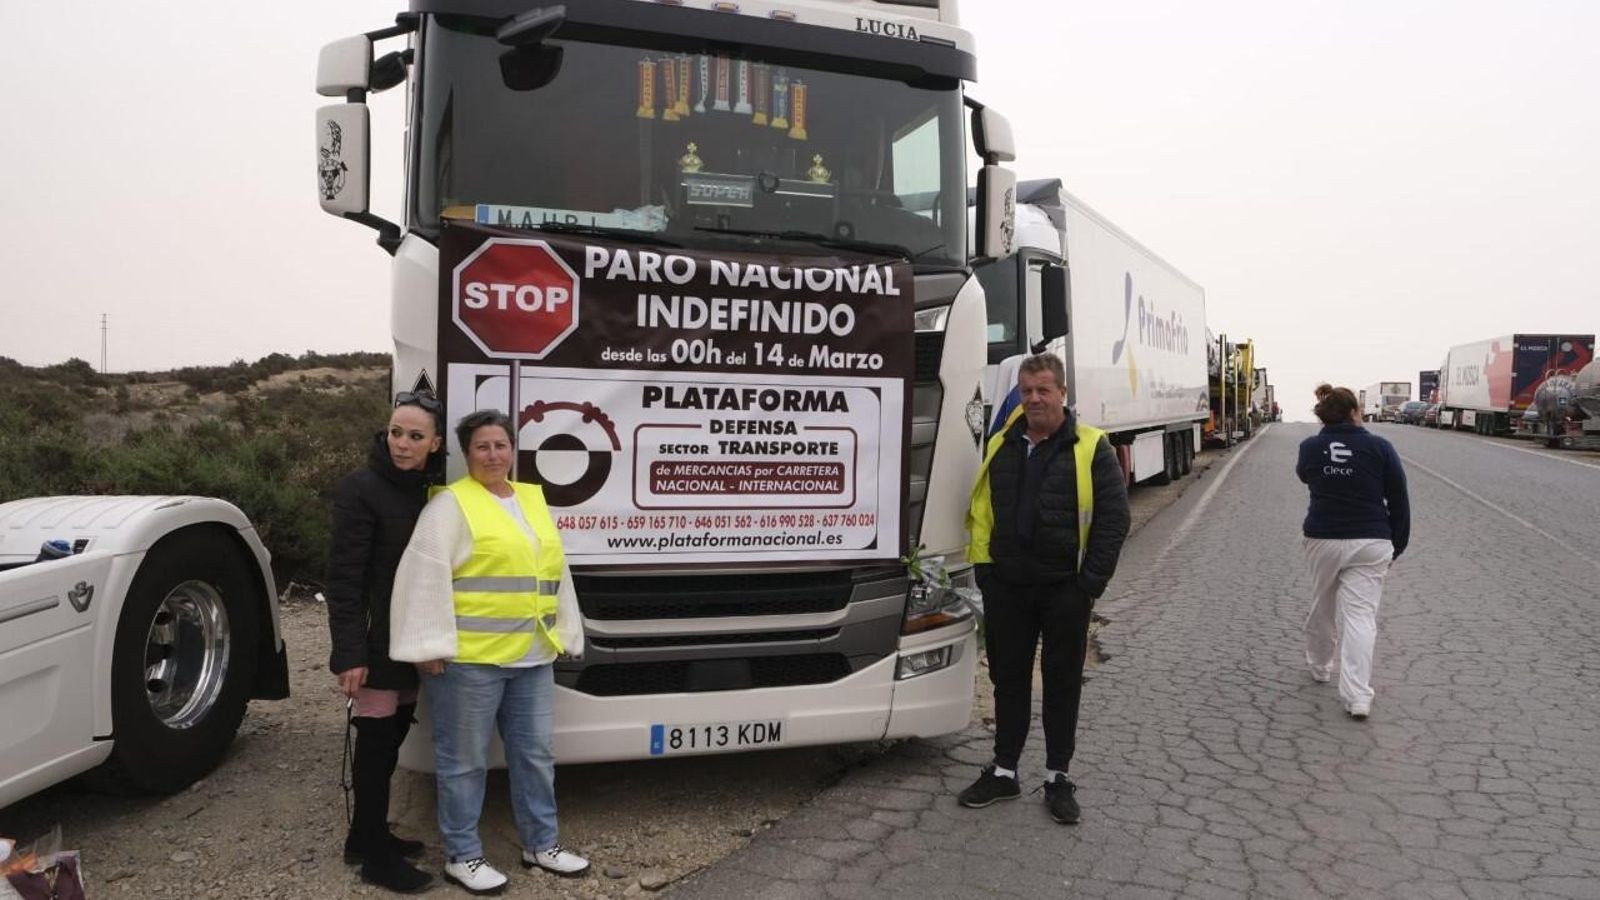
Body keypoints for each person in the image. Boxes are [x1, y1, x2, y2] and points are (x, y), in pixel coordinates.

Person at [390, 409, 588, 895]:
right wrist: (427, 646)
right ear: (467, 453)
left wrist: (567, 632)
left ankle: (541, 844)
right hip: (470, 663)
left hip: (532, 659)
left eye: (501, 445)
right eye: (482, 446)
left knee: (535, 756)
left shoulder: (532, 501)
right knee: (463, 762)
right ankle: (463, 856)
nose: (493, 455)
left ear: (513, 450)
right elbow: (423, 576)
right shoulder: (451, 506)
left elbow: (555, 572)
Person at [958, 354, 1131, 825]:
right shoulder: (1001, 443)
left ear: (1062, 393)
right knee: (1008, 680)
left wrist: (1087, 586)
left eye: (1043, 390)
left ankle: (1058, 777)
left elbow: (1114, 520)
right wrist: (986, 572)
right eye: (1027, 390)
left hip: (1064, 591)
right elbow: (983, 511)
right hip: (1008, 588)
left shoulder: (1090, 446)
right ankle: (1004, 770)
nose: (1034, 399)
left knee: (1061, 683)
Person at [326, 391, 445, 894]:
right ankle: (376, 857)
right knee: (375, 748)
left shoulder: (429, 493)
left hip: (412, 638)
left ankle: (365, 836)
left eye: (415, 436)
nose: (401, 443)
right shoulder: (361, 489)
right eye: (396, 432)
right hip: (375, 643)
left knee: (393, 736)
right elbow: (344, 578)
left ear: (434, 443)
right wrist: (350, 653)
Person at [1296, 386, 1410, 720]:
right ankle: (1357, 695)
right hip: (1371, 541)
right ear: (1353, 413)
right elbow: (1399, 498)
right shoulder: (1380, 447)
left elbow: (1304, 475)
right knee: (1360, 617)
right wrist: (1397, 544)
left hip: (1323, 538)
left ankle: (1320, 666)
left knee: (1323, 604)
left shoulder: (1310, 447)